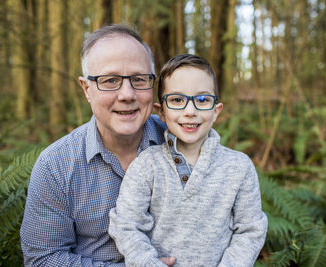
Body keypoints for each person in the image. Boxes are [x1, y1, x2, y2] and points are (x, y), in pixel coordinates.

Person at [20, 24, 176, 266]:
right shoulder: (55, 167)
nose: (127, 94)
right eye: (110, 80)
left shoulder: (183, 144)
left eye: (138, 79)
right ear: (86, 89)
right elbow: (42, 259)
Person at [108, 54, 268, 266]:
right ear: (161, 112)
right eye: (177, 100)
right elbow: (126, 225)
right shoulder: (147, 165)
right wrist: (149, 263)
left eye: (202, 100)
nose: (190, 111)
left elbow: (250, 230)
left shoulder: (238, 167)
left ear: (216, 111)